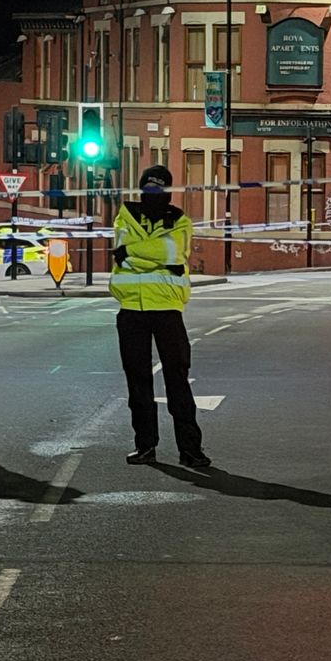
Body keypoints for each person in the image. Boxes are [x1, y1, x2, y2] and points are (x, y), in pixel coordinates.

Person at [111, 165, 210, 468]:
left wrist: (134, 254)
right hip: (132, 309)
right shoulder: (124, 215)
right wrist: (157, 259)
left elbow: (174, 253)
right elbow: (131, 252)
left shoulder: (180, 221)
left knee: (177, 380)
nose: (153, 193)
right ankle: (145, 446)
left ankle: (190, 450)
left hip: (167, 310)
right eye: (148, 187)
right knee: (138, 383)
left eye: (159, 188)